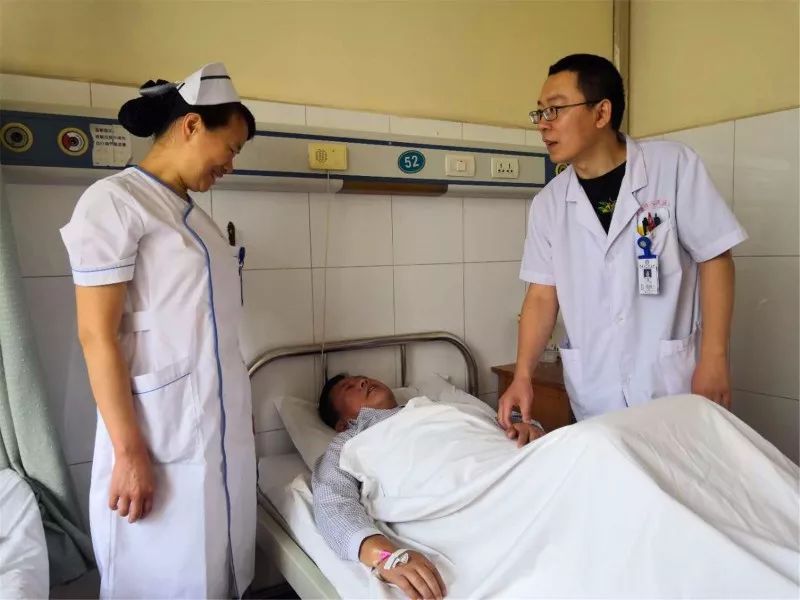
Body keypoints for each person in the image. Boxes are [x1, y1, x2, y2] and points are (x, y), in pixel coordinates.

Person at [60, 62, 257, 598]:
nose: (231, 165)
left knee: (213, 574)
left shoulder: (196, 218)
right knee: (161, 576)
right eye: (231, 148)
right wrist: (129, 454)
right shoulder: (114, 202)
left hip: (211, 430)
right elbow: (96, 336)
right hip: (156, 435)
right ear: (192, 125)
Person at [499, 54, 747, 429]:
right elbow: (541, 295)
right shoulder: (549, 203)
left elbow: (716, 258)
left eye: (555, 110)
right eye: (540, 113)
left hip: (671, 386)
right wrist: (522, 375)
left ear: (601, 113)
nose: (543, 124)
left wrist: (714, 358)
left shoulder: (672, 166)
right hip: (596, 394)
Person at [312, 374, 544, 600]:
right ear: (342, 424)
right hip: (469, 500)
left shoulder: (443, 406)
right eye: (349, 387)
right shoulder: (347, 444)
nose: (363, 381)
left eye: (362, 377)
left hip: (526, 469)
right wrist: (383, 555)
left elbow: (507, 420)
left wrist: (528, 427)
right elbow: (332, 502)